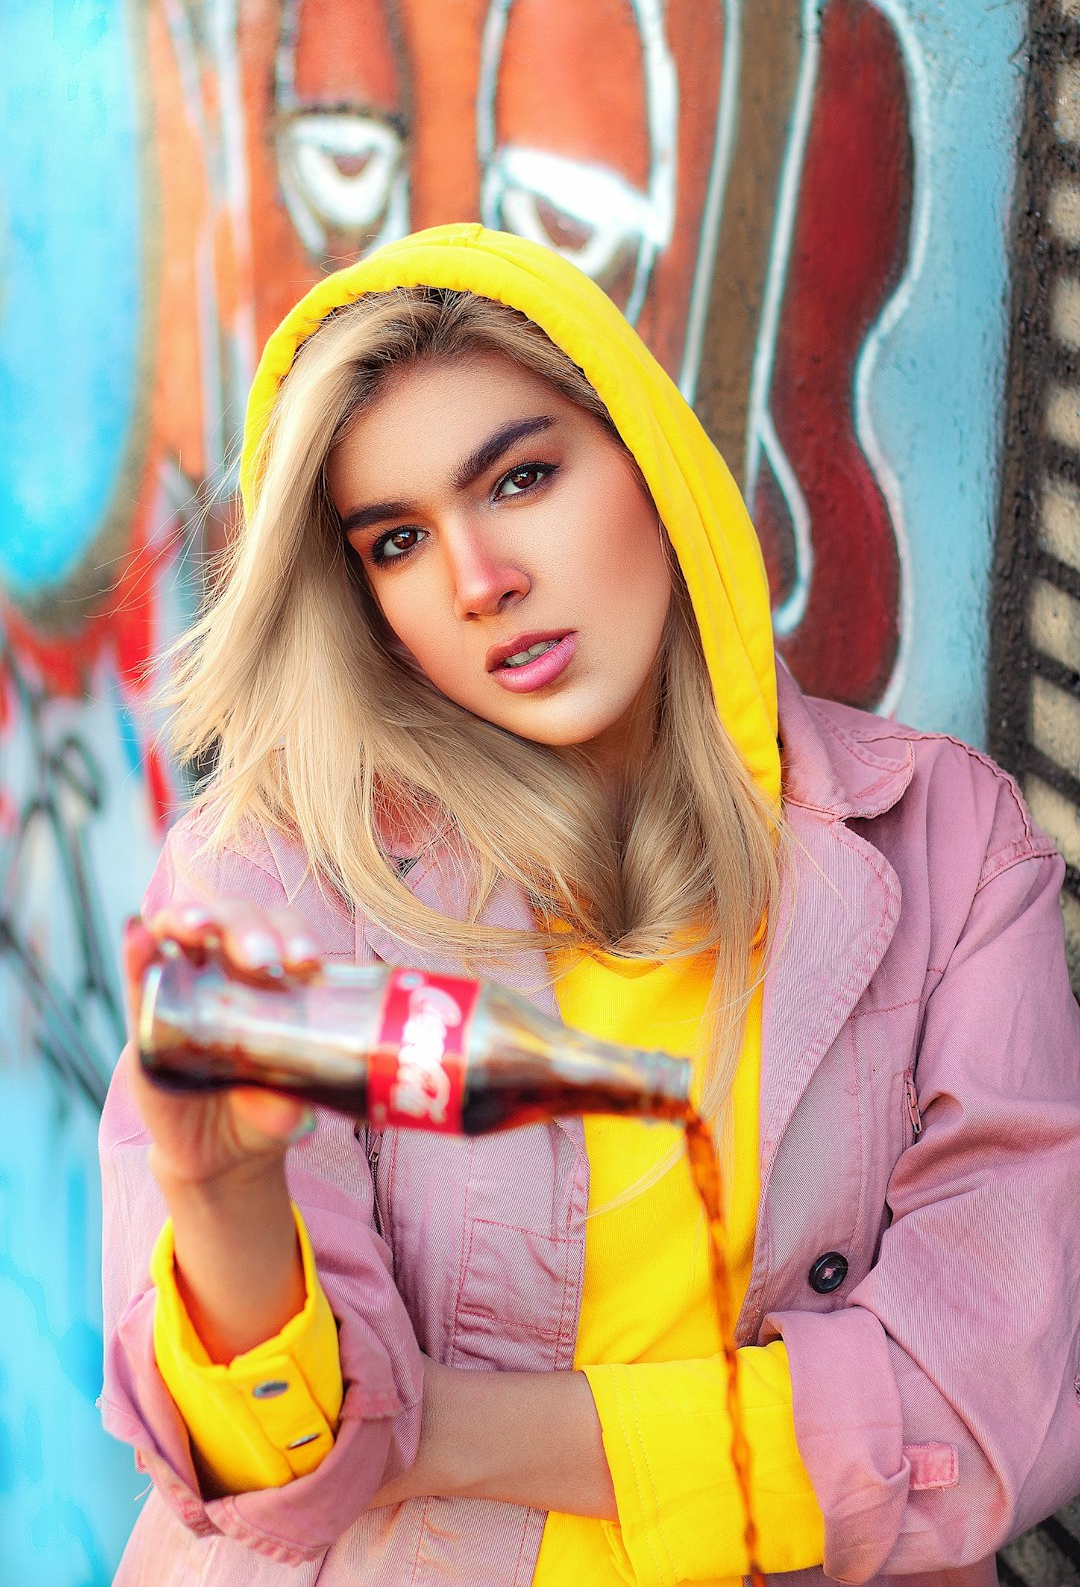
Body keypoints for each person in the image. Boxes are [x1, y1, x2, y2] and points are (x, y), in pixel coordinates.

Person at [99, 225, 1080, 1587]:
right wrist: (222, 1207)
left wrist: (444, 1431)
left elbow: (981, 1420)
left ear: (652, 460)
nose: (478, 578)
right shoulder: (274, 875)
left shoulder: (944, 848)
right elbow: (278, 1477)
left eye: (522, 477)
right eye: (395, 540)